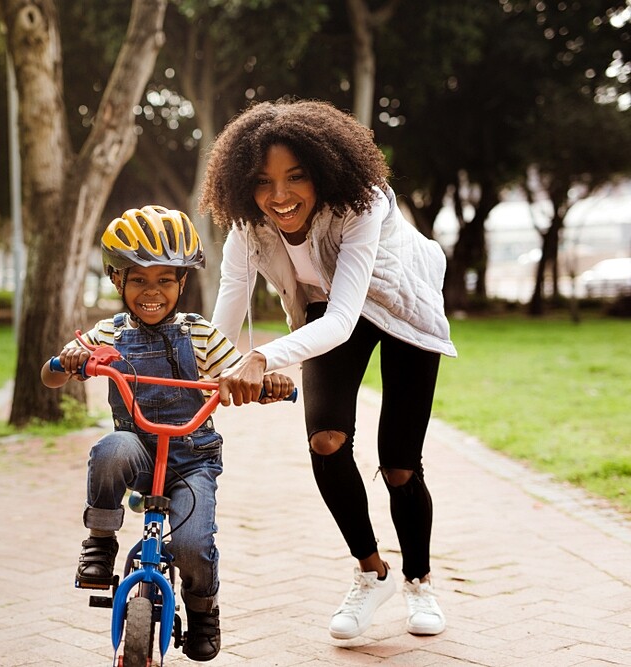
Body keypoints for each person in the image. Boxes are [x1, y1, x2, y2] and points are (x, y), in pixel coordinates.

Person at [199, 99, 458, 640]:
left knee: (400, 465)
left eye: (296, 177)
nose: (279, 196)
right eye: (264, 182)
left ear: (323, 172)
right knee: (326, 439)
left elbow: (343, 320)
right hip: (328, 307)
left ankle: (419, 581)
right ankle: (372, 573)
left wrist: (262, 356)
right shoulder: (248, 228)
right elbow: (229, 304)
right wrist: (208, 367)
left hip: (402, 307)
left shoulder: (362, 206)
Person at [41, 205, 294, 661]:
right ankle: (100, 541)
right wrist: (70, 362)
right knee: (110, 448)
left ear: (182, 283)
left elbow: (237, 370)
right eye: (138, 279)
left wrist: (264, 381)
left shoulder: (198, 334)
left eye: (165, 280)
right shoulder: (109, 334)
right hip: (138, 450)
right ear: (118, 282)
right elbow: (50, 376)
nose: (151, 292)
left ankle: (202, 611)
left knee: (194, 546)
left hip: (191, 459)